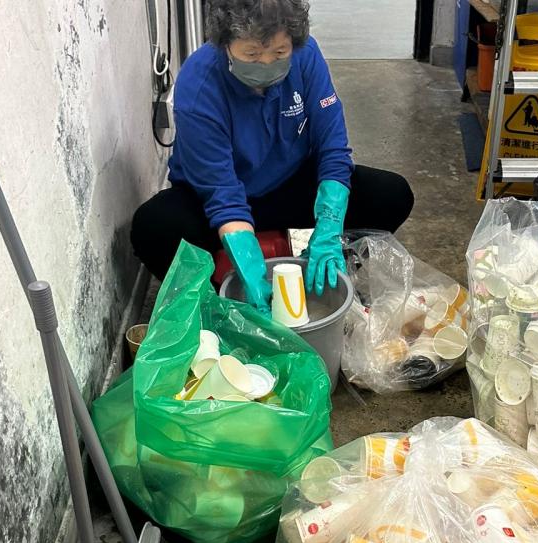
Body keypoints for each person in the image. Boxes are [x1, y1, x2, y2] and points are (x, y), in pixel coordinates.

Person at [131, 0, 414, 315]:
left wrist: (330, 226)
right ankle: (220, 304)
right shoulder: (198, 82)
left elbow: (333, 147)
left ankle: (327, 269)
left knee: (392, 194)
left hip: (287, 183)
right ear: (226, 44)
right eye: (251, 54)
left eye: (279, 53)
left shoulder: (306, 56)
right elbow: (222, 193)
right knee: (153, 227)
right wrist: (250, 268)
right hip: (217, 199)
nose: (266, 64)